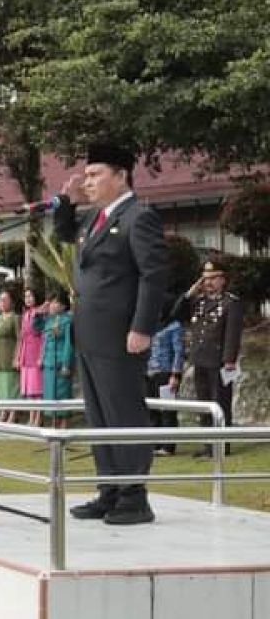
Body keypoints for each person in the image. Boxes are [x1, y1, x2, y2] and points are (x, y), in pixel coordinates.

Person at [55, 142, 167, 525]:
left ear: (121, 176)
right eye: (86, 175)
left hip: (121, 333)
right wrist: (66, 202)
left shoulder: (139, 217)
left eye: (95, 174)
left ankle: (135, 496)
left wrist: (142, 327)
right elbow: (66, 235)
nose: (87, 181)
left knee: (123, 410)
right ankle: (110, 488)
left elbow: (154, 276)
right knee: (99, 414)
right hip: (90, 333)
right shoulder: (95, 218)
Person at [171, 259, 244, 457]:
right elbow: (176, 314)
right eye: (205, 278)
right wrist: (189, 293)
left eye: (213, 278)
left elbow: (232, 333)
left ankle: (220, 447)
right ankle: (208, 447)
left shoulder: (231, 303)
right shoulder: (198, 301)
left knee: (219, 403)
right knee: (204, 405)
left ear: (223, 280)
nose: (208, 282)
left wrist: (229, 359)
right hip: (200, 359)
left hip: (219, 361)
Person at [147, 297, 184, 456]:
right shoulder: (149, 326)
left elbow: (179, 352)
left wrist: (175, 375)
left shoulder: (174, 326)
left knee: (167, 411)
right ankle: (154, 443)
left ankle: (168, 446)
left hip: (166, 373)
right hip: (148, 373)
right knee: (151, 411)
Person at [35, 289, 74, 430]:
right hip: (48, 364)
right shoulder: (49, 320)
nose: (51, 305)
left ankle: (64, 432)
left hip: (60, 364)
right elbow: (37, 330)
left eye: (55, 302)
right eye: (50, 302)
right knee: (51, 400)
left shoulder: (67, 320)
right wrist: (38, 314)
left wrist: (66, 364)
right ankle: (54, 433)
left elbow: (69, 343)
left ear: (63, 305)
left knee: (63, 400)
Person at [0, 287, 21, 423]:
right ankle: (3, 412)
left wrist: (17, 357)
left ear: (12, 302)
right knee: (0, 387)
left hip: (9, 358)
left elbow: (20, 339)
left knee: (11, 387)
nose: (1, 302)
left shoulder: (15, 318)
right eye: (0, 300)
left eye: (4, 300)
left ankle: (13, 414)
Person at [16, 288, 46, 426]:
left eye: (30, 296)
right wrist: (18, 357)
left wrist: (41, 356)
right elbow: (21, 338)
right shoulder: (25, 314)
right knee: (29, 391)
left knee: (37, 390)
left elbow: (44, 336)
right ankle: (31, 417)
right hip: (26, 355)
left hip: (36, 354)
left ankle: (37, 418)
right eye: (25, 296)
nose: (27, 299)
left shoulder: (40, 314)